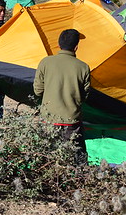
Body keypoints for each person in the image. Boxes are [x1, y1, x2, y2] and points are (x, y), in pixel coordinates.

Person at [33, 28, 91, 161]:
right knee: (77, 160)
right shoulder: (83, 67)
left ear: (59, 44)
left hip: (48, 120)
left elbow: (37, 91)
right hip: (71, 123)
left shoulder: (45, 62)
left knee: (48, 159)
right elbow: (84, 97)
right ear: (76, 47)